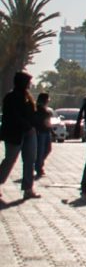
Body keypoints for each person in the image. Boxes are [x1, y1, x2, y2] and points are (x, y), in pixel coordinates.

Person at [0, 71, 39, 201]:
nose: (29, 84)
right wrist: (27, 124)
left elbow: (33, 114)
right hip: (15, 133)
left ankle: (28, 189)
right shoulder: (11, 97)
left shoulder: (28, 97)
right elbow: (12, 116)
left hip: (29, 132)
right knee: (10, 160)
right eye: (28, 82)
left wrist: (33, 125)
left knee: (29, 160)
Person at [32, 92, 54, 179]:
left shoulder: (46, 109)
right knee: (40, 150)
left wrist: (52, 131)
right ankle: (39, 167)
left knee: (48, 149)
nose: (48, 101)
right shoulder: (37, 108)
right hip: (40, 132)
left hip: (46, 131)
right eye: (47, 99)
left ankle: (38, 164)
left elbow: (48, 122)